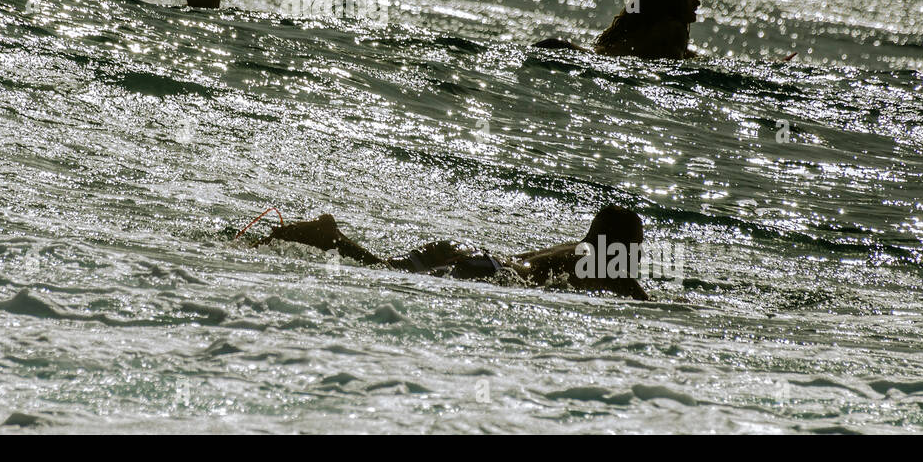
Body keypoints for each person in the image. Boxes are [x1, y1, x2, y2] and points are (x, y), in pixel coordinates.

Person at [257, 205, 649, 300]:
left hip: (471, 253)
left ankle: (329, 236)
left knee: (384, 268)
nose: (637, 256)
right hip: (483, 267)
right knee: (385, 273)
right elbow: (639, 298)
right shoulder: (601, 264)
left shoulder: (578, 250)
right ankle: (330, 237)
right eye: (635, 248)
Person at [533, 0, 700, 60]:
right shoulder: (672, 31)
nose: (697, 2)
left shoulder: (646, 32)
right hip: (571, 54)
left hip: (564, 48)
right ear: (671, 2)